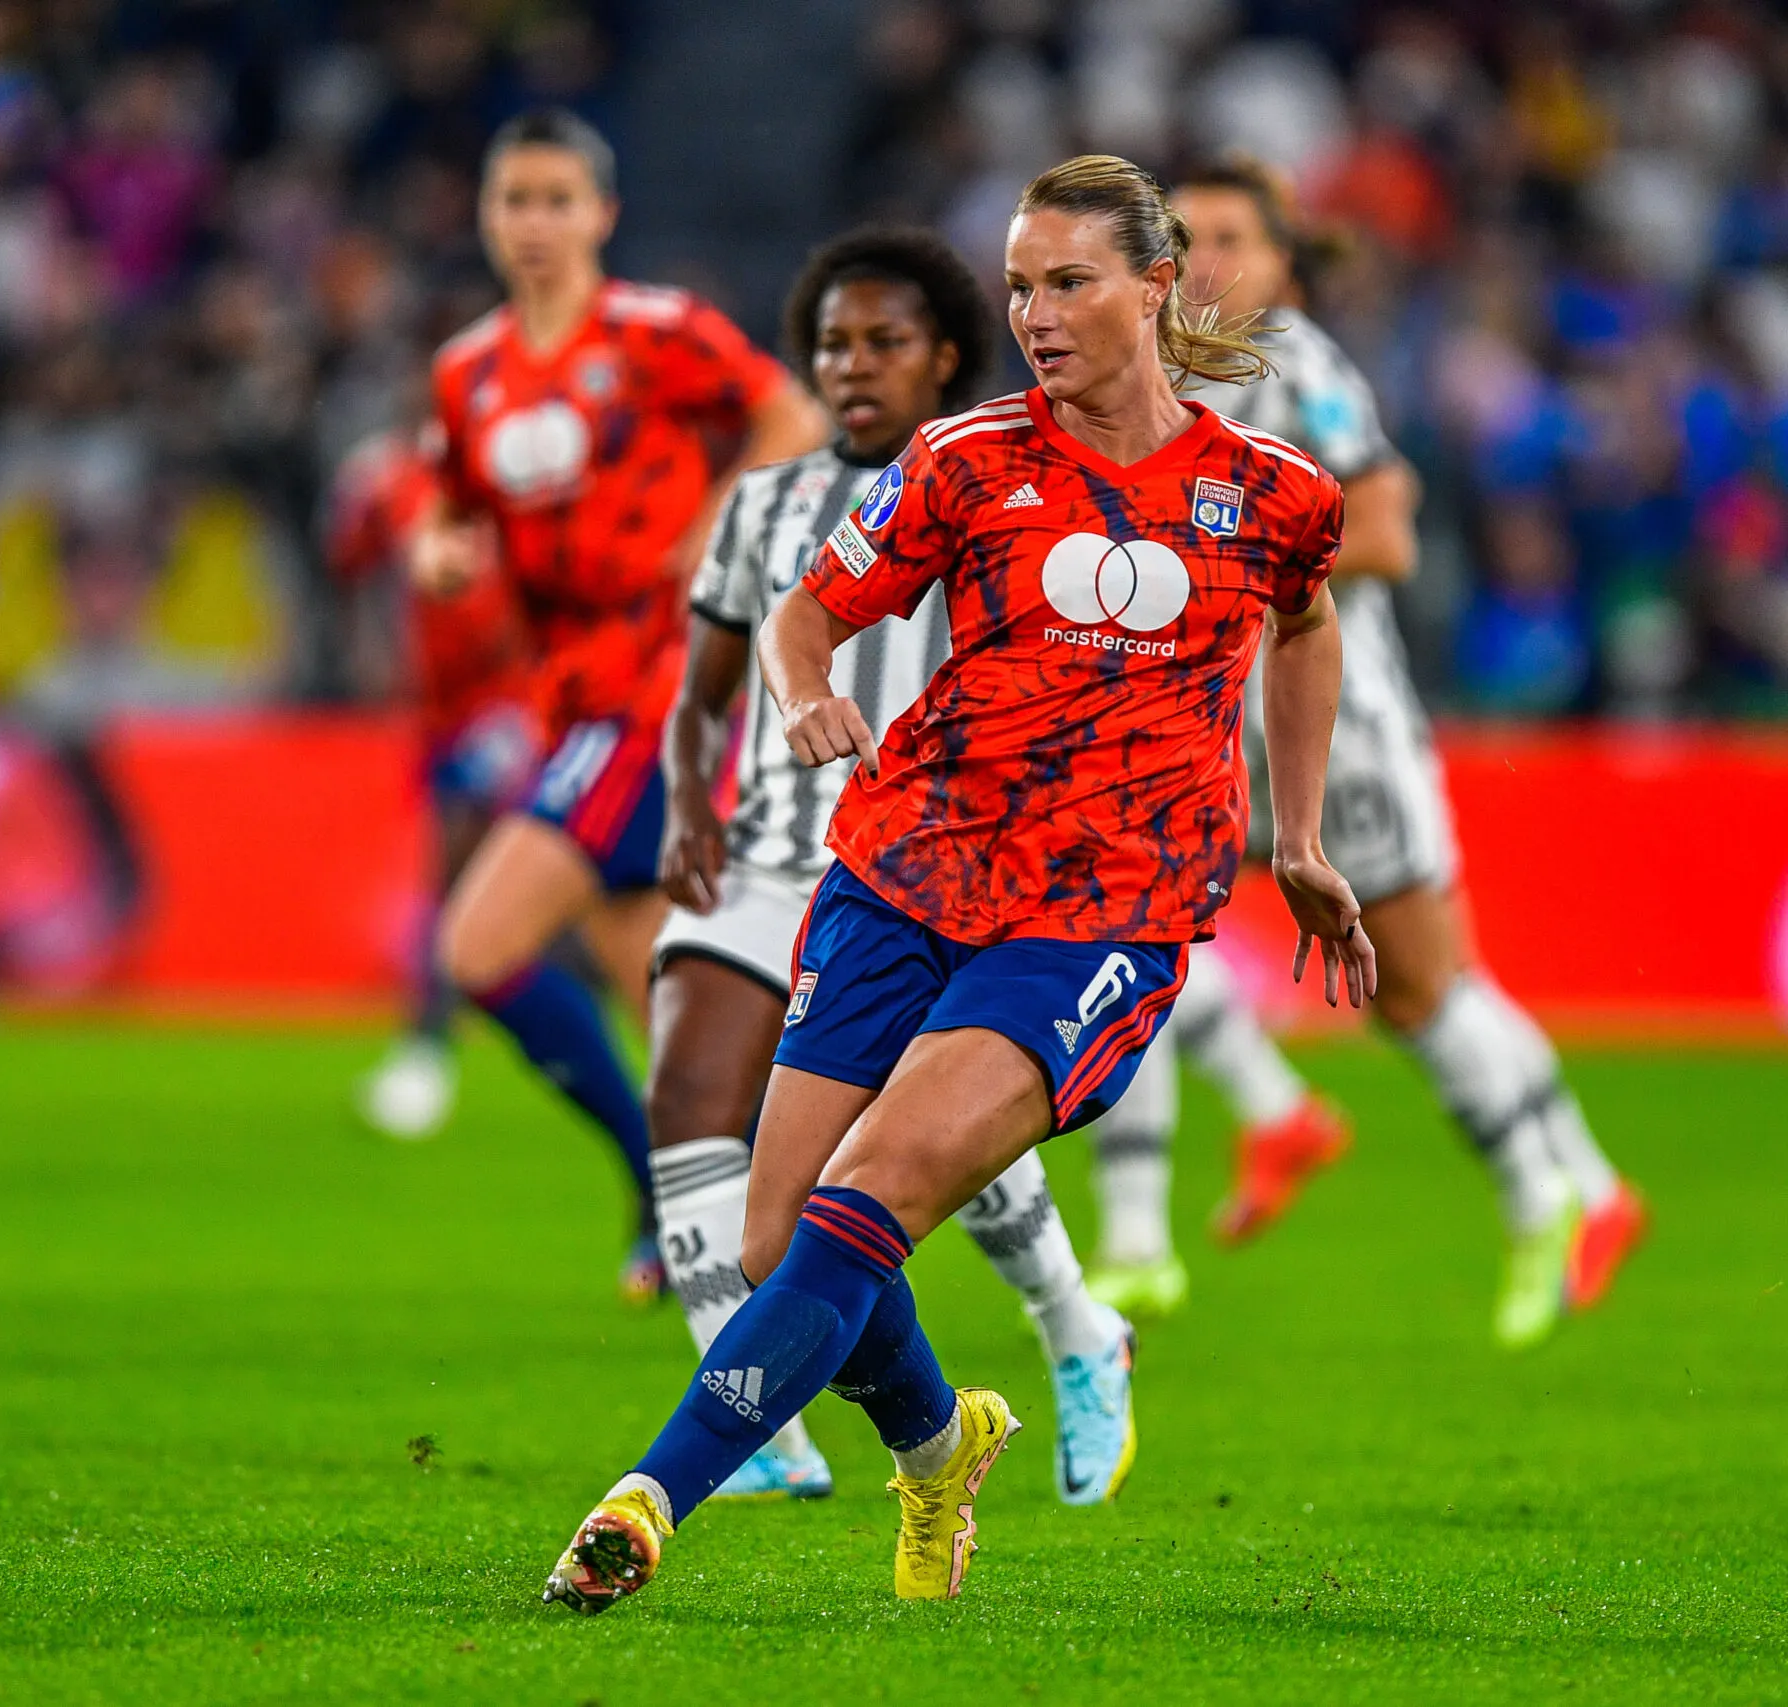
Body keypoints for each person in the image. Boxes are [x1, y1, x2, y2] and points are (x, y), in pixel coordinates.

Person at [543, 154, 1374, 1615]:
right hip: (903, 869)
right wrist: (804, 696)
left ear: (1156, 283)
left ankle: (643, 1502)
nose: (1036, 315)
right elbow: (808, 611)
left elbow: (1306, 630)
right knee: (772, 1237)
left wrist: (1297, 837)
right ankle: (941, 1442)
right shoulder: (963, 461)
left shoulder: (1273, 493)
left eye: (1069, 282)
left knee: (866, 1196)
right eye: (1019, 287)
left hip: (1100, 916)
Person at [1085, 157, 1646, 1349]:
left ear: (1286, 265)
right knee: (1113, 934)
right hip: (1192, 727)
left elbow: (1384, 531)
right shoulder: (1152, 384)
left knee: (1419, 988)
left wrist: (1232, 571)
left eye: (1239, 236)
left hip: (1334, 727)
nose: (1211, 260)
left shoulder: (1293, 363)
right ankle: (1142, 1234)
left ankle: (1566, 1193)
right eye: (1191, 237)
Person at [648, 224, 1139, 1508]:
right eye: (830, 347)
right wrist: (681, 804)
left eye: (884, 344)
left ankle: (1074, 1326)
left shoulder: (996, 483)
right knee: (695, 1099)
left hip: (938, 861)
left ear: (942, 359)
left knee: (915, 1160)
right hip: (766, 857)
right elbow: (704, 687)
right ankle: (763, 1419)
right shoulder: (759, 505)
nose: (852, 368)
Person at [415, 109, 826, 1297]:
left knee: (478, 944)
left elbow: (787, 414)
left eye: (557, 200)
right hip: (565, 695)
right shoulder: (468, 373)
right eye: (514, 201)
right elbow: (449, 503)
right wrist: (441, 550)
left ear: (602, 212)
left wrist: (714, 529)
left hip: (655, 692)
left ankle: (665, 1192)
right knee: (671, 1000)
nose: (535, 224)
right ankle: (769, 1215)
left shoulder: (654, 333)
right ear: (487, 217)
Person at [330, 422, 542, 1140]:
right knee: (478, 881)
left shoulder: (525, 487)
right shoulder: (399, 483)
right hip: (444, 711)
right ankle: (435, 1044)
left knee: (463, 866)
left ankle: (429, 1047)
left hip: (515, 702)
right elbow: (350, 560)